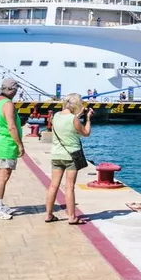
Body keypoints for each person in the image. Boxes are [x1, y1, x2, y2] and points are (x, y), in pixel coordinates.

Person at [45, 93, 93, 225]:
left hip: (56, 155)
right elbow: (86, 133)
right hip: (71, 155)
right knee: (69, 187)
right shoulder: (74, 119)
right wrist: (88, 119)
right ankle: (72, 217)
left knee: (53, 185)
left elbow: (67, 122)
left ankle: (48, 214)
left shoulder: (55, 116)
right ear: (77, 104)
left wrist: (78, 115)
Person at [0, 78, 24, 220]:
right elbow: (11, 126)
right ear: (12, 90)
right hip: (5, 144)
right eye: (15, 89)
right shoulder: (8, 104)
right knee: (3, 177)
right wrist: (20, 145)